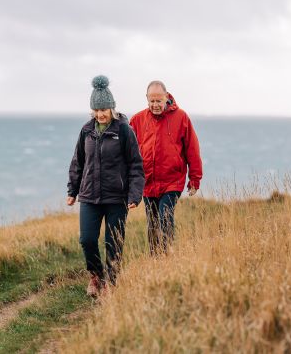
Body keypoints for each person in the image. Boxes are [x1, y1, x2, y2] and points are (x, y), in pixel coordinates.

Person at [67, 75, 144, 297]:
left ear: (112, 108)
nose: (101, 114)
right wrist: (72, 191)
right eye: (97, 110)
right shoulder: (86, 130)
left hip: (116, 198)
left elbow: (136, 166)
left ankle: (111, 281)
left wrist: (134, 195)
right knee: (87, 240)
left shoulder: (123, 131)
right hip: (90, 196)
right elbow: (78, 162)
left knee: (114, 243)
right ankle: (96, 276)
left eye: (104, 109)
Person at [129, 80, 203, 255]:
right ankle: (156, 260)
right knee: (153, 223)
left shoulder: (181, 117)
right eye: (152, 101)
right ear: (147, 99)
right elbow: (127, 151)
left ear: (166, 97)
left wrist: (195, 178)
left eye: (158, 101)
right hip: (147, 182)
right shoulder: (137, 120)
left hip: (172, 181)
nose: (155, 105)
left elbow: (192, 148)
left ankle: (167, 256)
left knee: (165, 217)